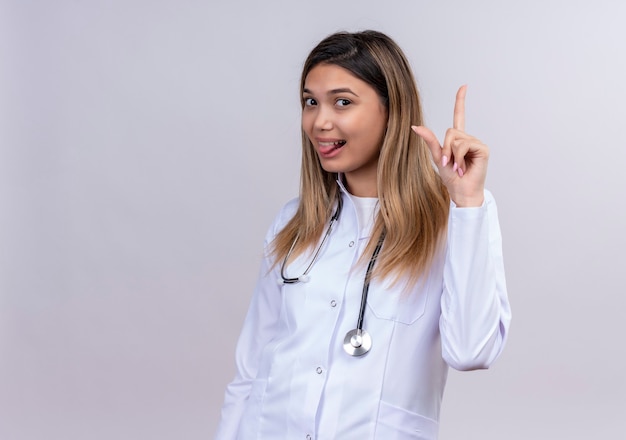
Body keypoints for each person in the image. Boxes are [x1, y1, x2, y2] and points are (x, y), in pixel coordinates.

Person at [215, 30, 511, 440]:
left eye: (343, 102)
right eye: (310, 102)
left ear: (392, 110)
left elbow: (471, 351)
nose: (320, 121)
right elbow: (250, 371)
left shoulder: (454, 222)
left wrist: (468, 202)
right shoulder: (292, 223)